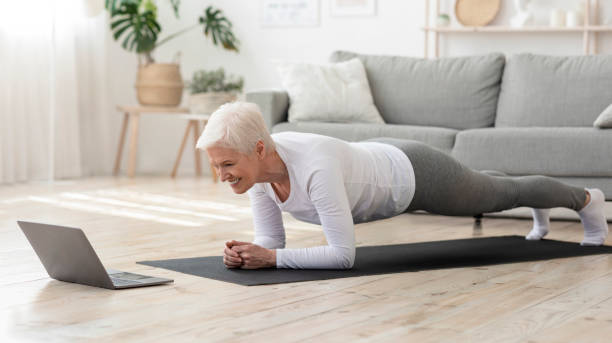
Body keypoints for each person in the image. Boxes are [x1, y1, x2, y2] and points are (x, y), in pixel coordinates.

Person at [196, 102, 609, 270]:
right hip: (377, 156)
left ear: (259, 148)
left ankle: (588, 200)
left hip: (412, 172)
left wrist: (272, 259)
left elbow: (343, 256)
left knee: (501, 195)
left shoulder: (314, 168)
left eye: (227, 164)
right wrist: (252, 254)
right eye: (217, 167)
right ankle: (532, 196)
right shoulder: (258, 174)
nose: (222, 176)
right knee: (497, 188)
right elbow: (272, 240)